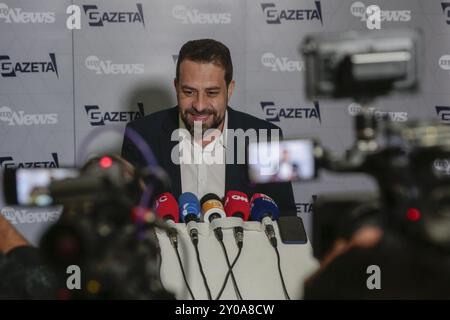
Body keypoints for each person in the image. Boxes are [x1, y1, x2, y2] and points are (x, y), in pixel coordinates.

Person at [121, 39, 296, 216]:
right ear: (176, 87)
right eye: (189, 92)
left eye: (211, 93)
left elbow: (285, 218)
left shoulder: (263, 138)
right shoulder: (142, 136)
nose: (199, 105)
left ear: (230, 89)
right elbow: (128, 218)